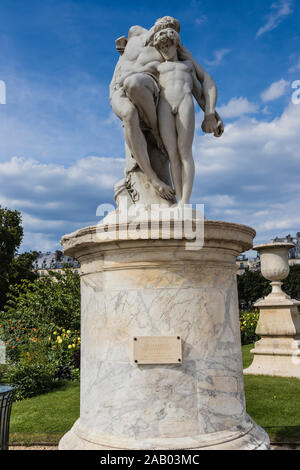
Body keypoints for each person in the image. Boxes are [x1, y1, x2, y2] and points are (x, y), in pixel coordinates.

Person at [110, 16, 223, 202]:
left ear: (176, 42)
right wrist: (123, 52)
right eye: (162, 45)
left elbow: (204, 84)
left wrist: (210, 113)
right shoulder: (148, 52)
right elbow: (130, 75)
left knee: (184, 152)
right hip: (162, 106)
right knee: (172, 154)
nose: (165, 49)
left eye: (169, 44)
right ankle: (175, 197)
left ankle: (184, 202)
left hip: (182, 101)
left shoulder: (186, 61)